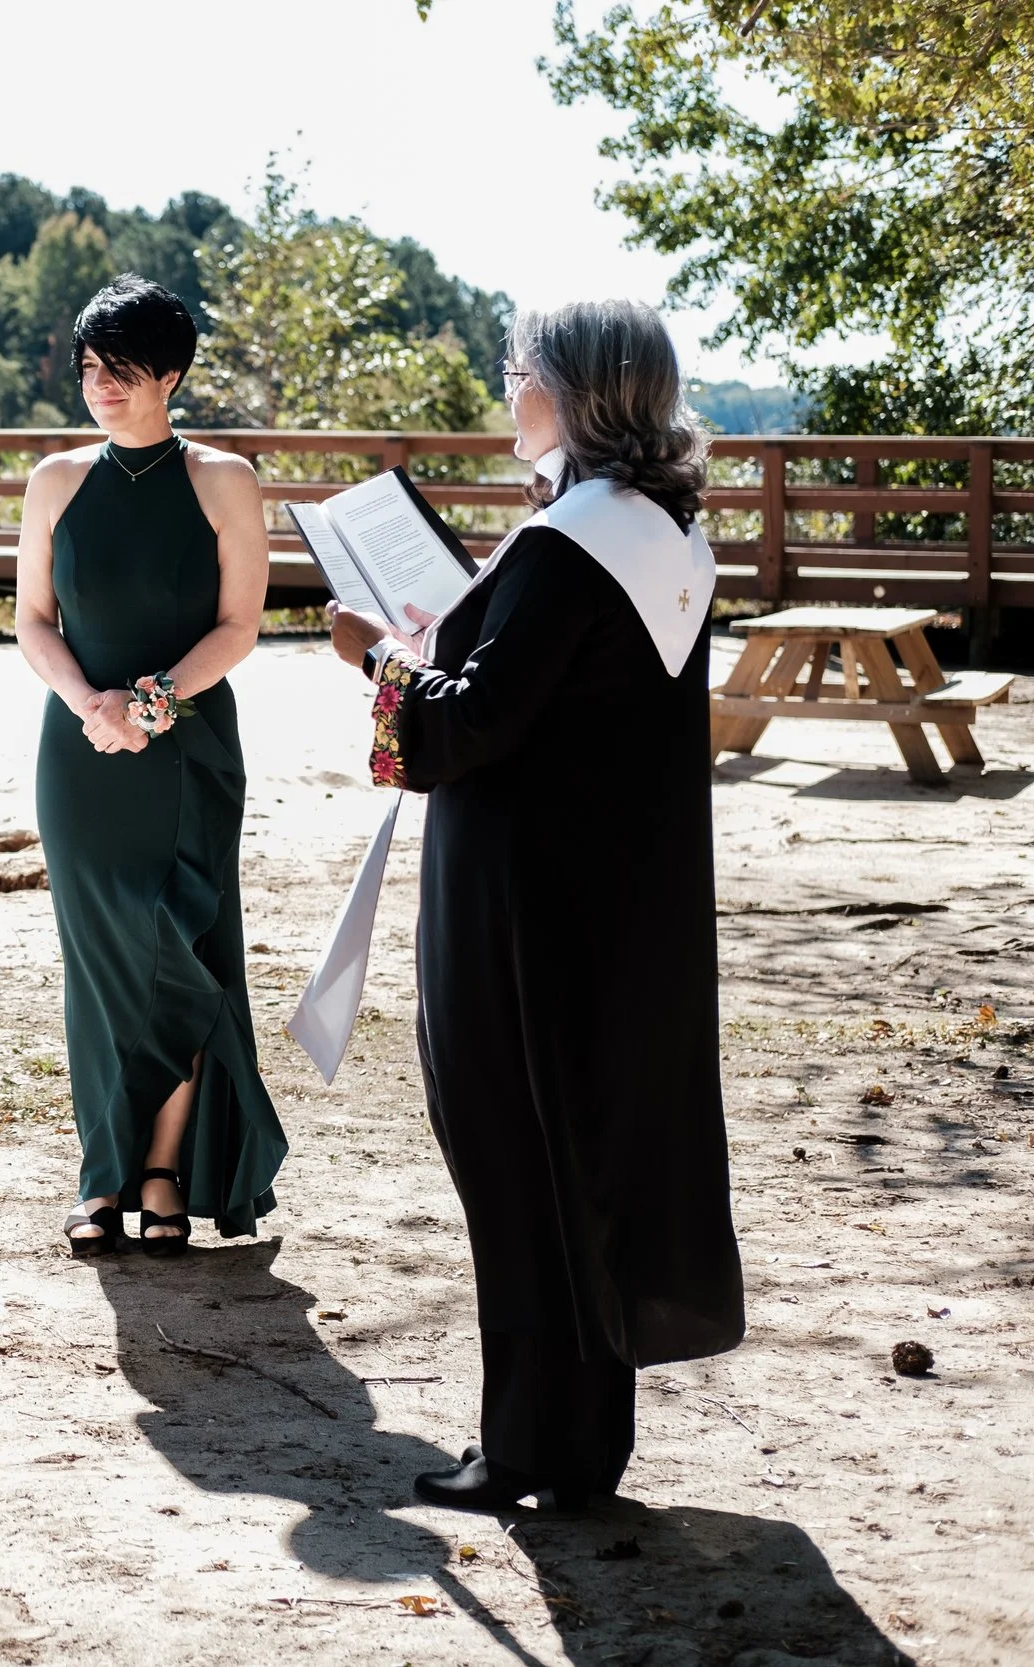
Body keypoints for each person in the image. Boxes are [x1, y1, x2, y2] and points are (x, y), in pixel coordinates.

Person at [327, 299, 743, 1511]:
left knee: (518, 1160)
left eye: (517, 372)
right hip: (610, 905)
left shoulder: (568, 545)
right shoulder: (655, 528)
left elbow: (458, 726)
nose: (506, 391)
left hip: (520, 912)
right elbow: (545, 696)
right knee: (581, 1165)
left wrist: (373, 655)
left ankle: (529, 1449)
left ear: (567, 392)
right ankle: (571, 1440)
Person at [15, 275, 288, 1257]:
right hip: (80, 753)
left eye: (122, 369)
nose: (101, 386)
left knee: (181, 955)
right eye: (90, 368)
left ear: (170, 372)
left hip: (188, 752)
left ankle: (166, 1173)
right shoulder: (54, 479)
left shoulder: (223, 478)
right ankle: (103, 1179)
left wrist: (152, 703)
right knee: (99, 971)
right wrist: (91, 703)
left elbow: (238, 625)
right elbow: (32, 623)